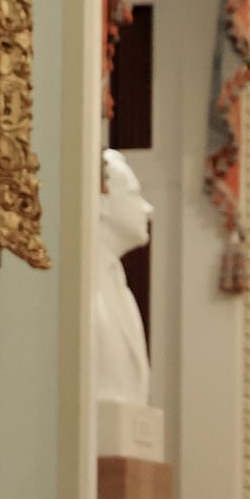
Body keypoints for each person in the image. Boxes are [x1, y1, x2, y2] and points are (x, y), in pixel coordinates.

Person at [94, 150, 154, 406]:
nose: (148, 208)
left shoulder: (120, 287)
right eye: (134, 193)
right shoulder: (81, 284)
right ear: (102, 201)